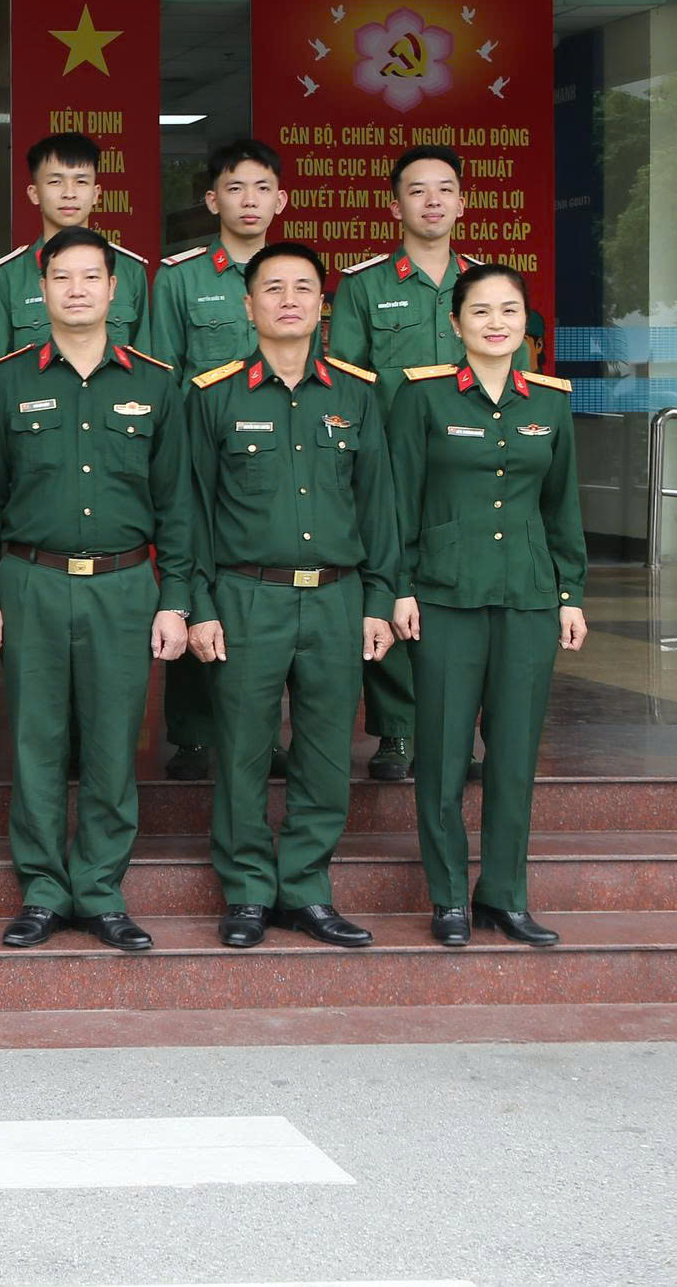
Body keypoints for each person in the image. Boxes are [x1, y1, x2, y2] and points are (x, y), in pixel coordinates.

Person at [0, 226, 191, 953]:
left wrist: (177, 597)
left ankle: (99, 888)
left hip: (125, 585)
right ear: (42, 288)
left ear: (114, 288)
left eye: (91, 277)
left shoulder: (155, 383)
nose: (77, 290)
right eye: (62, 277)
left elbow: (178, 502)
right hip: (30, 578)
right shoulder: (6, 380)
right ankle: (41, 888)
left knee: (110, 741)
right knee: (36, 739)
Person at [184, 242, 398, 950]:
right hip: (248, 595)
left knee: (327, 750)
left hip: (337, 596)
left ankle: (307, 886)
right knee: (243, 748)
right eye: (271, 287)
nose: (288, 299)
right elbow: (193, 510)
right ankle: (247, 889)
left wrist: (379, 599)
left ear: (321, 305)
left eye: (303, 287)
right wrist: (201, 605)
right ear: (248, 306)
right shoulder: (214, 394)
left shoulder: (356, 394)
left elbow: (379, 508)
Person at [388, 263, 586, 948]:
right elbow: (398, 501)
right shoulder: (424, 397)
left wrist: (571, 594)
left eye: (509, 310)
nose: (496, 322)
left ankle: (504, 892)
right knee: (441, 753)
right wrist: (400, 587)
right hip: (444, 596)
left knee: (513, 756)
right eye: (480, 311)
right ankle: (448, 897)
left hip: (528, 597)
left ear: (526, 321)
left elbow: (563, 507)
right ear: (456, 323)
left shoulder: (551, 401)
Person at [141, 138, 288, 783]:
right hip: (203, 462)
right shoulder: (181, 277)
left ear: (280, 200)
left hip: (279, 460)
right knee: (196, 583)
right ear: (212, 200)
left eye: (261, 188)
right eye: (235, 188)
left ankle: (265, 736)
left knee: (272, 594)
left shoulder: (295, 274)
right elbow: (163, 375)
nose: (249, 200)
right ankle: (196, 735)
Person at [327, 146, 474, 783]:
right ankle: (396, 732)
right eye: (418, 191)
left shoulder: (484, 286)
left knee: (458, 598)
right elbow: (350, 380)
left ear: (463, 202)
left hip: (466, 464)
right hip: (388, 464)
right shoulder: (364, 286)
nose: (433, 200)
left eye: (445, 189)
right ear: (396, 206)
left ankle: (453, 730)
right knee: (385, 586)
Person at [0, 133, 146, 355]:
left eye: (81, 181)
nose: (69, 193)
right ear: (34, 193)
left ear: (96, 193)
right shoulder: (5, 278)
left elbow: (146, 365)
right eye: (55, 182)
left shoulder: (130, 271)